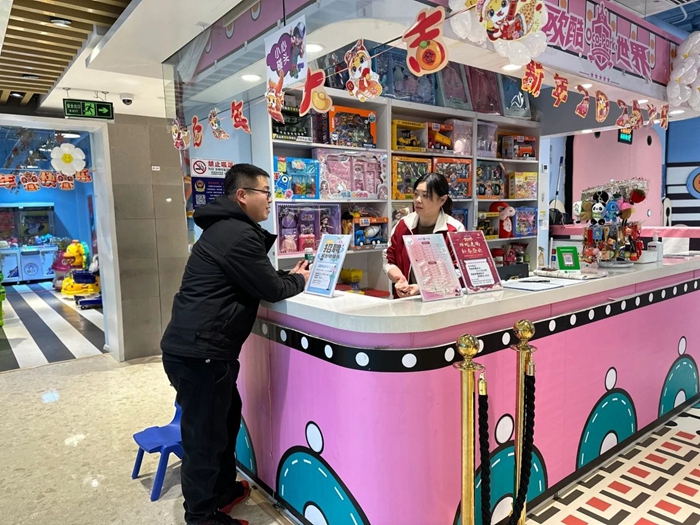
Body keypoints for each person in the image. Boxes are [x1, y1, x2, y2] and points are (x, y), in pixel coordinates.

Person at [161, 164, 310, 525]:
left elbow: (255, 276)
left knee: (225, 422)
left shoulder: (226, 230)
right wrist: (300, 280)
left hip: (201, 350)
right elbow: (271, 289)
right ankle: (201, 517)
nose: (270, 200)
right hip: (201, 353)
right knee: (204, 438)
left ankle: (222, 491)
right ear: (242, 195)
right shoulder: (238, 233)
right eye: (265, 193)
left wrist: (286, 276)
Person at [383, 173, 465, 298]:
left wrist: (423, 288)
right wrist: (399, 278)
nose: (418, 200)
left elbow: (459, 271)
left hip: (443, 302)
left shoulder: (454, 230)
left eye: (425, 196)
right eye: (416, 194)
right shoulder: (403, 225)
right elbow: (388, 260)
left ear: (442, 200)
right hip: (406, 302)